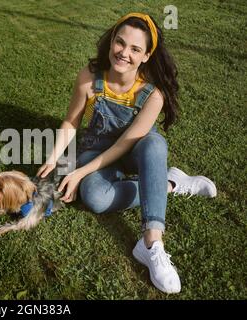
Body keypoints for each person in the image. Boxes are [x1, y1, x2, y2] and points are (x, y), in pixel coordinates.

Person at [36, 13, 217, 294]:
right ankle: (167, 184)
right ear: (111, 42)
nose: (124, 53)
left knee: (155, 145)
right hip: (96, 147)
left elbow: (124, 145)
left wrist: (80, 172)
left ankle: (151, 244)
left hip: (134, 149)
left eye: (135, 49)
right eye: (120, 43)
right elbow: (72, 122)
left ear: (146, 55)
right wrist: (54, 157)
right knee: (94, 198)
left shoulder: (153, 93)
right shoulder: (90, 76)